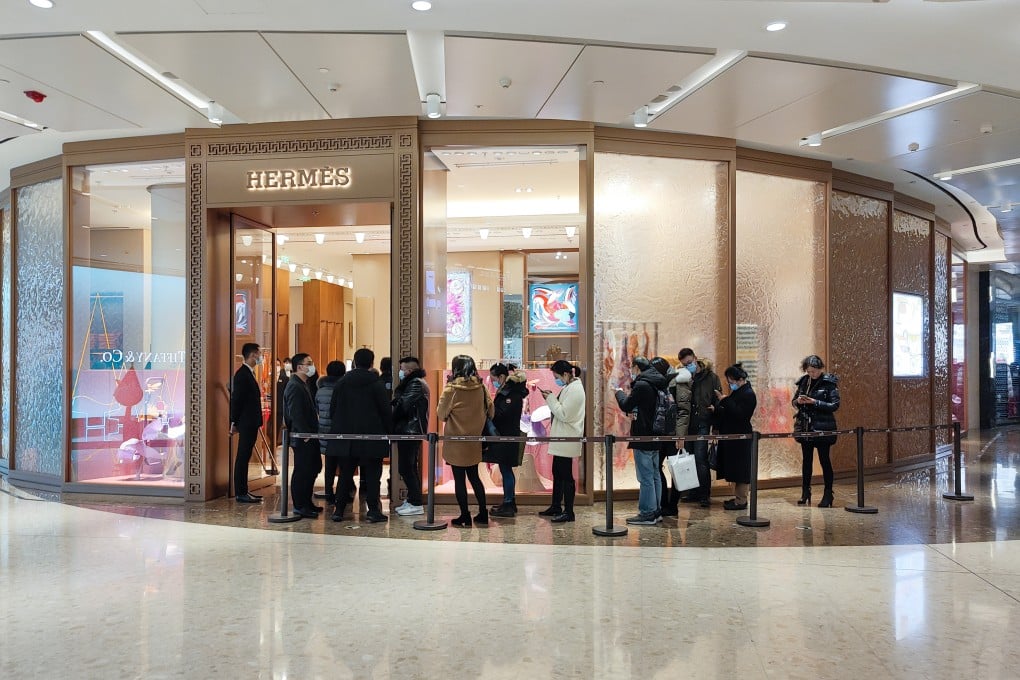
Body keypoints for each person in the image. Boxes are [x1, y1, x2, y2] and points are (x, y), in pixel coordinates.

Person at [328, 348, 392, 523]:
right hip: (372, 437)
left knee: (345, 475)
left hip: (346, 438)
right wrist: (389, 432)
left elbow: (333, 409)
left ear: (354, 362)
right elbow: (385, 411)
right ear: (372, 363)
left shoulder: (342, 383)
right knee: (372, 476)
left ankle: (339, 510)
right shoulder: (376, 384)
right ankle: (373, 510)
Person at [437, 354, 493, 527]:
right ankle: (483, 513)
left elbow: (441, 415)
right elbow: (491, 411)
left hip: (455, 442)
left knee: (459, 480)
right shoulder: (481, 388)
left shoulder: (451, 390)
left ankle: (465, 516)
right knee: (475, 477)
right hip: (474, 441)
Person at [615, 356, 668, 526]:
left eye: (633, 368)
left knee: (645, 476)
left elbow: (626, 405)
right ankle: (656, 511)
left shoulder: (643, 384)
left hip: (643, 435)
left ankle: (647, 513)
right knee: (654, 475)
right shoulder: (658, 382)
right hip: (656, 434)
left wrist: (619, 393)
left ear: (638, 368)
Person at [537, 360, 585, 523]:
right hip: (562, 439)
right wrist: (551, 398)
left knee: (565, 476)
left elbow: (564, 414)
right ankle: (556, 506)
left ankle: (569, 512)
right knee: (557, 473)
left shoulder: (576, 390)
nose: (556, 379)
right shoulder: (569, 388)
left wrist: (550, 398)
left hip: (567, 438)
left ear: (566, 374)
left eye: (557, 376)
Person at [793, 354, 841, 508]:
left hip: (822, 427)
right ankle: (805, 492)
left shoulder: (829, 383)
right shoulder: (804, 381)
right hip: (806, 426)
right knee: (806, 461)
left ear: (821, 369)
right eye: (809, 371)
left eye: (814, 371)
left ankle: (828, 493)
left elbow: (834, 405)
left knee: (824, 460)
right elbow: (793, 401)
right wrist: (798, 401)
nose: (811, 374)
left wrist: (815, 402)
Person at [679, 348, 721, 507]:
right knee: (689, 459)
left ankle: (704, 494)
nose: (688, 366)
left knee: (700, 458)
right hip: (688, 423)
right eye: (684, 364)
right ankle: (693, 491)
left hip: (704, 421)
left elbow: (718, 401)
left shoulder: (711, 378)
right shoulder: (684, 377)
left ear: (695, 359)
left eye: (689, 363)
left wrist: (716, 424)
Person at [711, 363, 757, 511]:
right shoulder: (739, 392)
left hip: (741, 438)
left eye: (731, 381)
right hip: (732, 436)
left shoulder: (748, 394)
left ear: (740, 379)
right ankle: (738, 497)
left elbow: (740, 414)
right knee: (735, 469)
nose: (730, 384)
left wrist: (725, 400)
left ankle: (741, 500)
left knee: (741, 470)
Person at [486, 363, 529, 518]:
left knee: (506, 470)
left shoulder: (511, 393)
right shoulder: (509, 391)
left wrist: (490, 409)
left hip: (507, 436)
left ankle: (509, 503)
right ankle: (508, 501)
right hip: (505, 436)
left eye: (494, 379)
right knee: (506, 470)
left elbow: (503, 414)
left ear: (502, 377)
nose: (493, 382)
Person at [283, 353, 321, 518]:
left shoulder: (303, 384)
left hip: (310, 435)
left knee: (313, 468)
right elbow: (295, 413)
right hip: (303, 437)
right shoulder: (294, 386)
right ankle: (300, 505)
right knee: (303, 470)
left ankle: (307, 501)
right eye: (309, 363)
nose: (312, 366)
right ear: (299, 367)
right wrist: (305, 434)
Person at [391, 356, 429, 517]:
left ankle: (416, 503)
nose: (400, 372)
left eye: (402, 369)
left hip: (410, 431)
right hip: (409, 430)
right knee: (410, 467)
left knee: (406, 467)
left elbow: (404, 406)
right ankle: (413, 499)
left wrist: (394, 406)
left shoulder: (414, 383)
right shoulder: (417, 382)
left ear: (410, 370)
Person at [229, 342, 263, 503]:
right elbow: (237, 400)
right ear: (252, 355)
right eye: (259, 354)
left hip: (251, 422)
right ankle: (241, 492)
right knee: (242, 457)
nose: (260, 357)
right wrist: (233, 421)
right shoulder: (242, 374)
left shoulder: (248, 373)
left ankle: (244, 490)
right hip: (246, 422)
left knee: (245, 455)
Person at [659, 356, 692, 517]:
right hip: (661, 434)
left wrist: (680, 436)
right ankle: (663, 502)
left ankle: (673, 505)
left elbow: (683, 412)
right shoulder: (662, 382)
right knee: (657, 468)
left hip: (674, 435)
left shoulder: (679, 382)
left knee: (676, 470)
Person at [314, 360, 346, 506]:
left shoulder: (320, 390)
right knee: (345, 464)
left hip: (325, 430)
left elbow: (317, 410)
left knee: (330, 464)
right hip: (342, 430)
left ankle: (328, 492)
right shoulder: (345, 389)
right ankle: (343, 493)